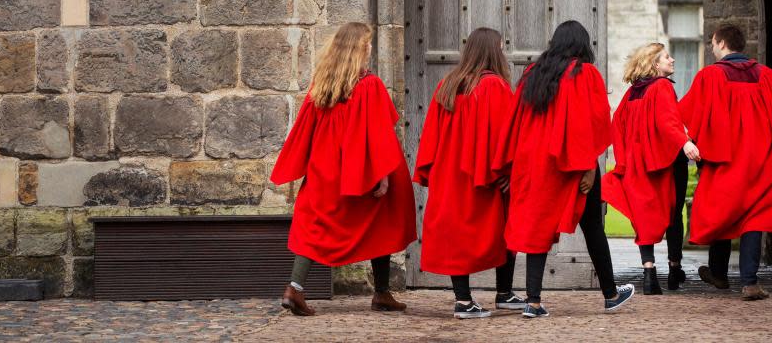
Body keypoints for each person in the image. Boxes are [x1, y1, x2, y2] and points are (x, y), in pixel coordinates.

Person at [270, 22, 417, 316]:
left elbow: (306, 131)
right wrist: (384, 176)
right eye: (368, 44)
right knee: (382, 219)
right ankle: (381, 292)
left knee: (313, 223)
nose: (371, 48)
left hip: (324, 170)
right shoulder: (370, 86)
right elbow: (380, 135)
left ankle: (295, 289)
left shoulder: (322, 85)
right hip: (360, 170)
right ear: (357, 50)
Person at [494, 20, 635, 318]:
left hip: (534, 163)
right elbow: (593, 123)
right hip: (572, 163)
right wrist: (589, 168)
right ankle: (610, 294)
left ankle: (533, 302)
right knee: (593, 227)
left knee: (536, 227)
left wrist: (509, 165)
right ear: (581, 44)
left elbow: (515, 121)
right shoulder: (585, 74)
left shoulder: (533, 74)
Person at [679, 24, 772, 301]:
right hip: (763, 162)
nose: (712, 48)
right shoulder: (768, 76)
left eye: (713, 43)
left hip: (725, 162)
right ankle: (750, 282)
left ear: (721, 43)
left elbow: (685, 115)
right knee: (755, 217)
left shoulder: (709, 77)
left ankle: (718, 273)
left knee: (722, 213)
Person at [413, 28, 525, 319]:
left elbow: (431, 134)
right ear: (492, 51)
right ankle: (501, 293)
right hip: (482, 176)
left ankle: (465, 299)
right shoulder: (494, 87)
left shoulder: (448, 85)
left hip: (449, 174)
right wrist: (508, 170)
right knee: (506, 227)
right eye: (500, 48)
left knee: (455, 235)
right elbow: (506, 135)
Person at [601, 43, 700, 295]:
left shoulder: (633, 93)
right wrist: (685, 142)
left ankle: (649, 274)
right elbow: (668, 121)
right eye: (667, 57)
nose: (673, 60)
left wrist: (623, 161)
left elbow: (617, 125)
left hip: (638, 165)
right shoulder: (662, 87)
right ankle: (674, 268)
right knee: (673, 213)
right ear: (655, 64)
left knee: (643, 216)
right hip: (664, 163)